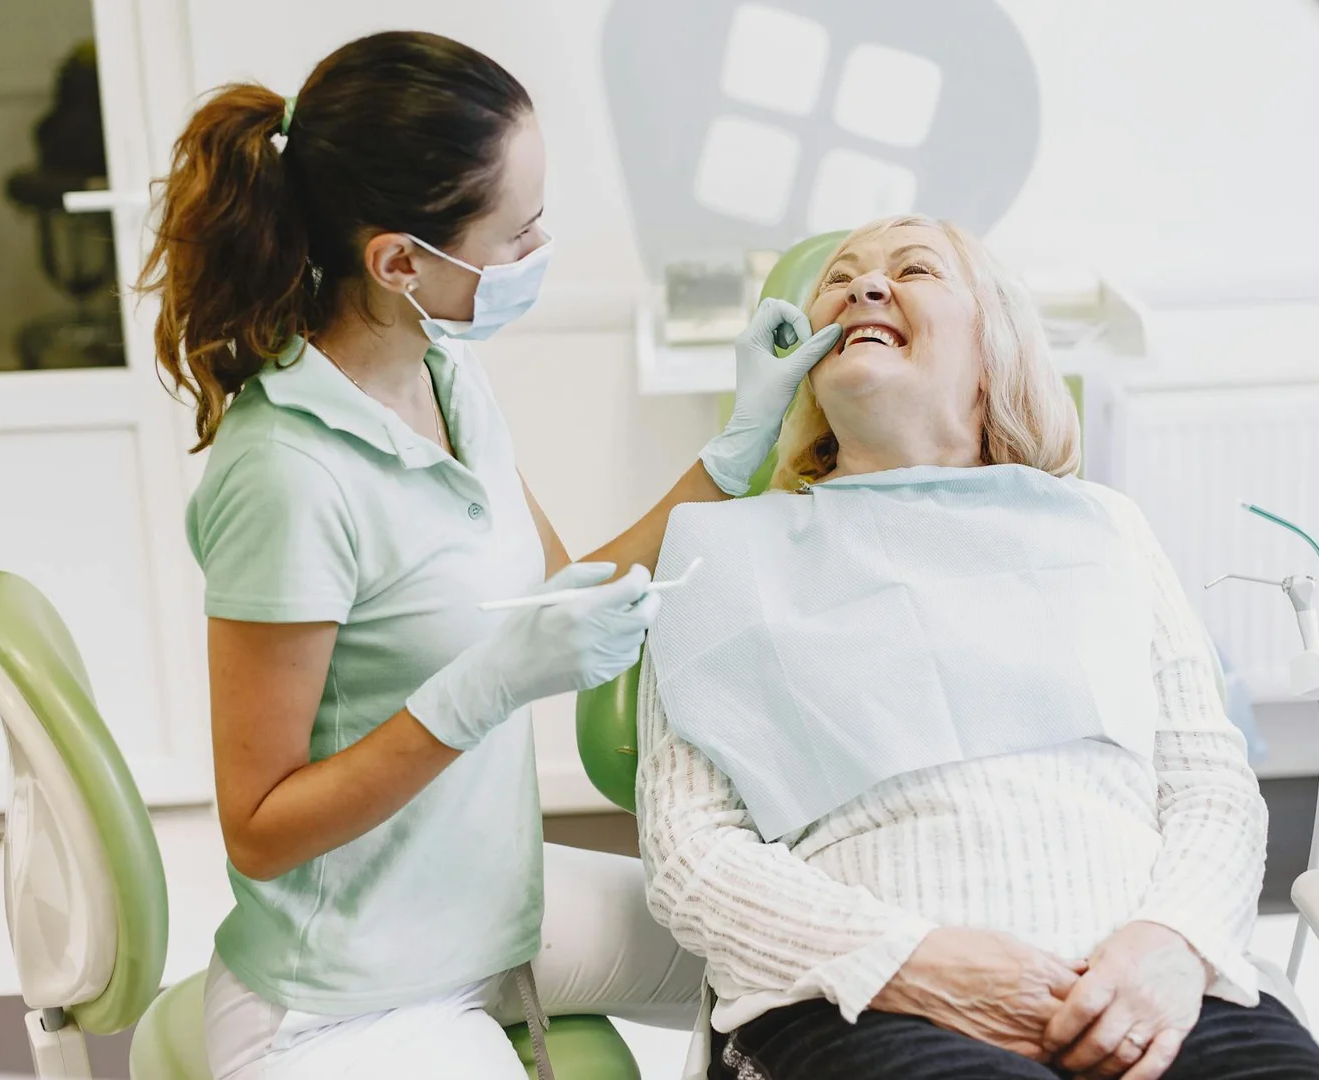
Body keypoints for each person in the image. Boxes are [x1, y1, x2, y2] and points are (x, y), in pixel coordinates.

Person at [136, 30, 838, 1078]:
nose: (541, 246)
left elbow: (562, 591)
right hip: (344, 997)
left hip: (486, 902)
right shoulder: (288, 474)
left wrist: (736, 449)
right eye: (518, 231)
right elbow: (260, 827)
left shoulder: (446, 376)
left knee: (807, 957)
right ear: (400, 262)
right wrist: (479, 693)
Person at [636, 215, 1319, 1080]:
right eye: (840, 278)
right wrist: (908, 960)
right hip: (861, 998)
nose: (864, 287)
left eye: (914, 269)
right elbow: (690, 855)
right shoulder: (719, 554)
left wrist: (1172, 941)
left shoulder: (1102, 527)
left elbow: (1209, 785)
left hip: (1139, 974)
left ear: (993, 349)